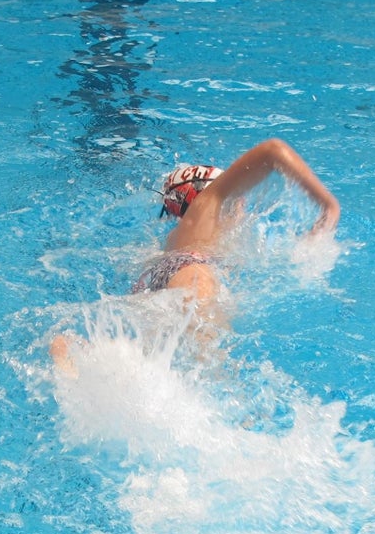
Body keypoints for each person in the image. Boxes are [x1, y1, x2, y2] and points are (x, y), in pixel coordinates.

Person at [51, 138, 340, 372]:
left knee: (151, 360)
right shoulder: (208, 205)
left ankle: (78, 350)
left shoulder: (175, 239)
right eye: (236, 197)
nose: (241, 206)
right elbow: (273, 150)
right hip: (193, 273)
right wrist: (329, 207)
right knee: (214, 370)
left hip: (159, 279)